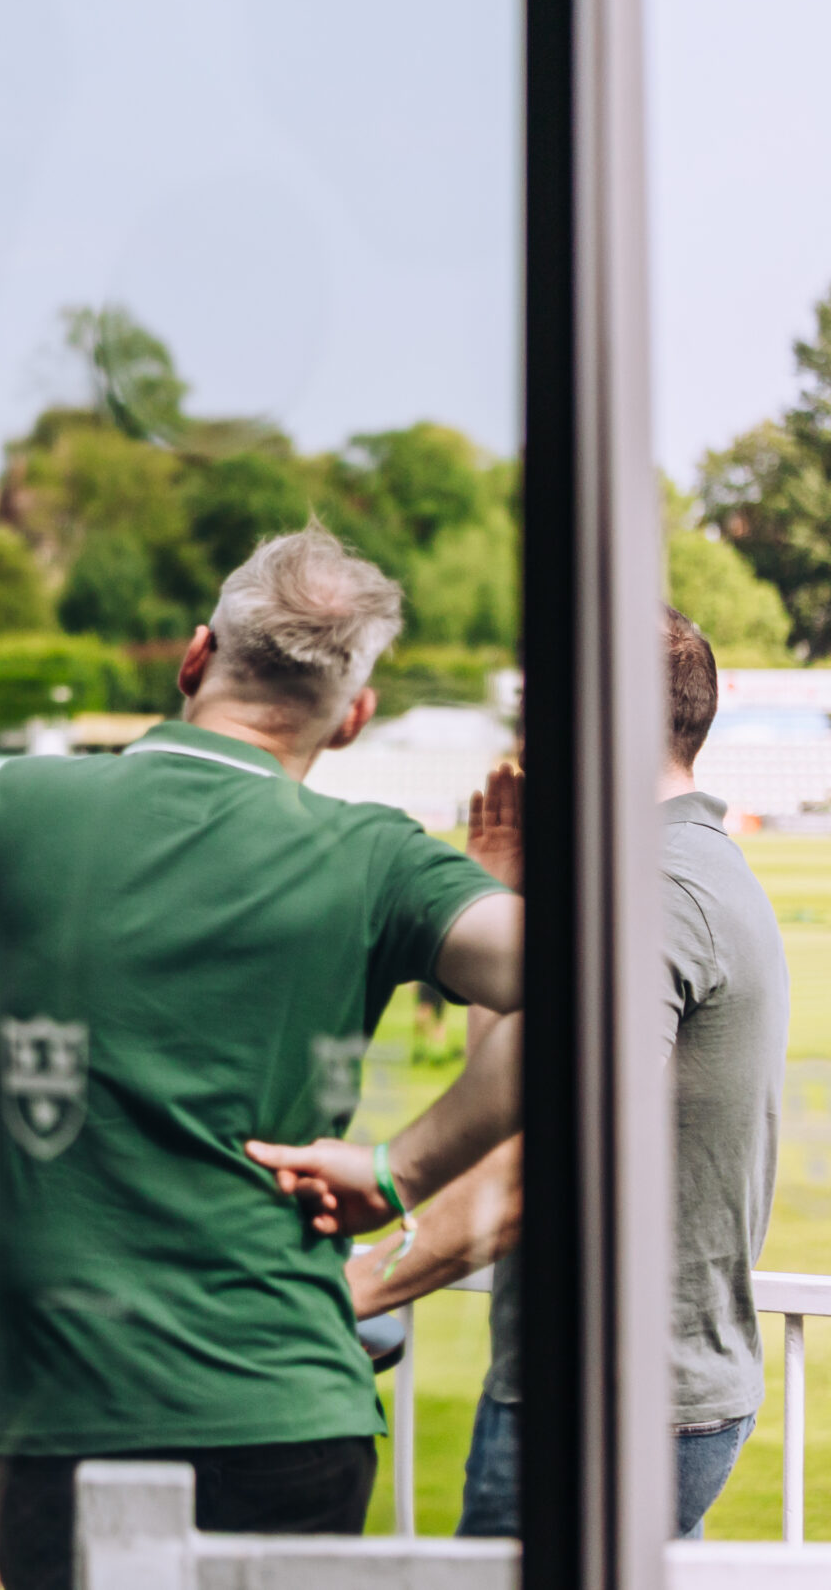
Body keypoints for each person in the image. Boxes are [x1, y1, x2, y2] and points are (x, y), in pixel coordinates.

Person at [0, 522, 525, 1590]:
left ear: (194, 656)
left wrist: (6, 1335)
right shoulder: (374, 854)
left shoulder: (21, 805)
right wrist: (397, 1170)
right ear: (353, 716)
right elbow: (603, 984)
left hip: (67, 1408)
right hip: (288, 1411)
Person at [316, 607, 789, 1540]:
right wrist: (505, 894)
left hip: (605, 1406)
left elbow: (555, 1152)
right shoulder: (668, 873)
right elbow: (515, 1099)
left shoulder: (657, 894)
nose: (526, 746)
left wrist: (352, 1290)